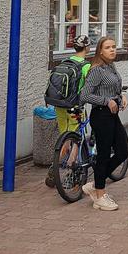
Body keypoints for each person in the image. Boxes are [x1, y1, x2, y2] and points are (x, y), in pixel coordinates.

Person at [80, 37, 128, 211]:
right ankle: (99, 196)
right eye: (108, 47)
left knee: (123, 151)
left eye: (114, 47)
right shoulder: (96, 70)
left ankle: (95, 184)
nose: (112, 50)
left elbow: (114, 89)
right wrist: (105, 101)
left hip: (112, 116)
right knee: (102, 155)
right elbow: (84, 95)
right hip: (101, 116)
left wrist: (121, 96)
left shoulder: (111, 67)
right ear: (100, 51)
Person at [45, 35, 93, 188]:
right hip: (75, 106)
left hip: (59, 105)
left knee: (64, 136)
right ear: (87, 48)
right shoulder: (86, 66)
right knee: (76, 138)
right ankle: (71, 169)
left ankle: (55, 167)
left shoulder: (65, 62)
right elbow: (90, 86)